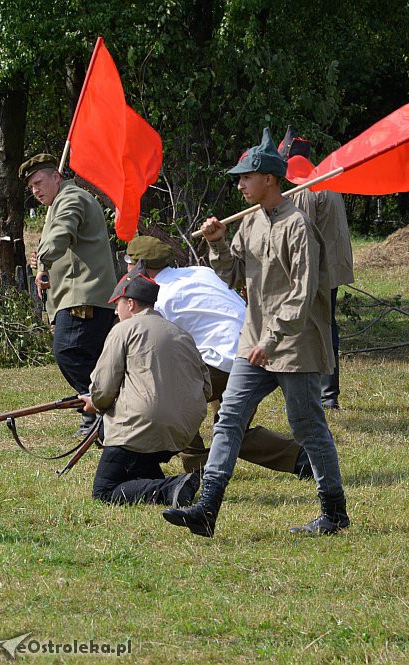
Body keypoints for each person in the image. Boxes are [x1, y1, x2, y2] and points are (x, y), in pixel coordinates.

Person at [163, 128, 350, 537]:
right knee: (229, 419)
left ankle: (334, 512)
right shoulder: (249, 224)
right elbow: (229, 277)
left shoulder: (298, 226)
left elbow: (302, 295)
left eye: (247, 176)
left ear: (270, 178)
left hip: (294, 344)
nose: (240, 184)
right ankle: (207, 509)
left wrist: (272, 339)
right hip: (255, 343)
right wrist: (217, 243)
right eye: (239, 177)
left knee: (307, 426)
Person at [125, 235, 311, 478]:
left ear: (141, 268)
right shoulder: (200, 272)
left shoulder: (160, 298)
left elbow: (157, 351)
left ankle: (196, 466)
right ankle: (305, 460)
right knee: (232, 430)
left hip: (226, 358)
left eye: (129, 262)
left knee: (171, 400)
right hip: (260, 349)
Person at [80, 269, 211, 506]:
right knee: (139, 466)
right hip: (183, 430)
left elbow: (103, 387)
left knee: (104, 491)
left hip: (141, 427)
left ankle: (171, 487)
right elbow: (207, 388)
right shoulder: (181, 333)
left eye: (117, 305)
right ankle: (168, 484)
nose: (116, 311)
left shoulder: (123, 329)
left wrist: (96, 405)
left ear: (130, 304)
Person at [21, 153, 119, 436]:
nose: (36, 190)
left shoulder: (71, 199)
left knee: (69, 351)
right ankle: (102, 414)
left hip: (83, 295)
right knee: (90, 357)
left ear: (57, 176)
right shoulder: (59, 202)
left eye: (39, 182)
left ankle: (100, 411)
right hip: (79, 295)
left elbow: (59, 234)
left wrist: (43, 261)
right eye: (31, 187)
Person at [279, 129, 355, 408]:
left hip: (316, 271)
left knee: (314, 330)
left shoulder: (303, 188)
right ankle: (325, 395)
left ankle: (323, 395)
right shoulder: (322, 180)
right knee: (324, 326)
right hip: (329, 269)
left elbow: (302, 235)